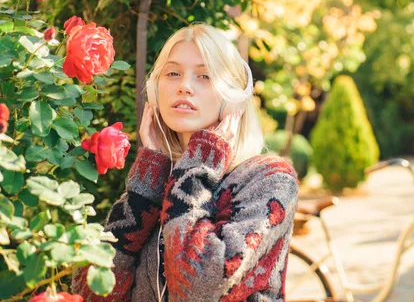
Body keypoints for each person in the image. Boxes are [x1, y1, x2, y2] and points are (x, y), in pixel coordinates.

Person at [72, 24, 299, 301]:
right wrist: (145, 190)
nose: (184, 87)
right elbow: (89, 291)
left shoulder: (270, 179)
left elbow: (200, 287)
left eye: (204, 75)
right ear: (155, 91)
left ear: (234, 99)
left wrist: (199, 165)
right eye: (173, 73)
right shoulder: (159, 179)